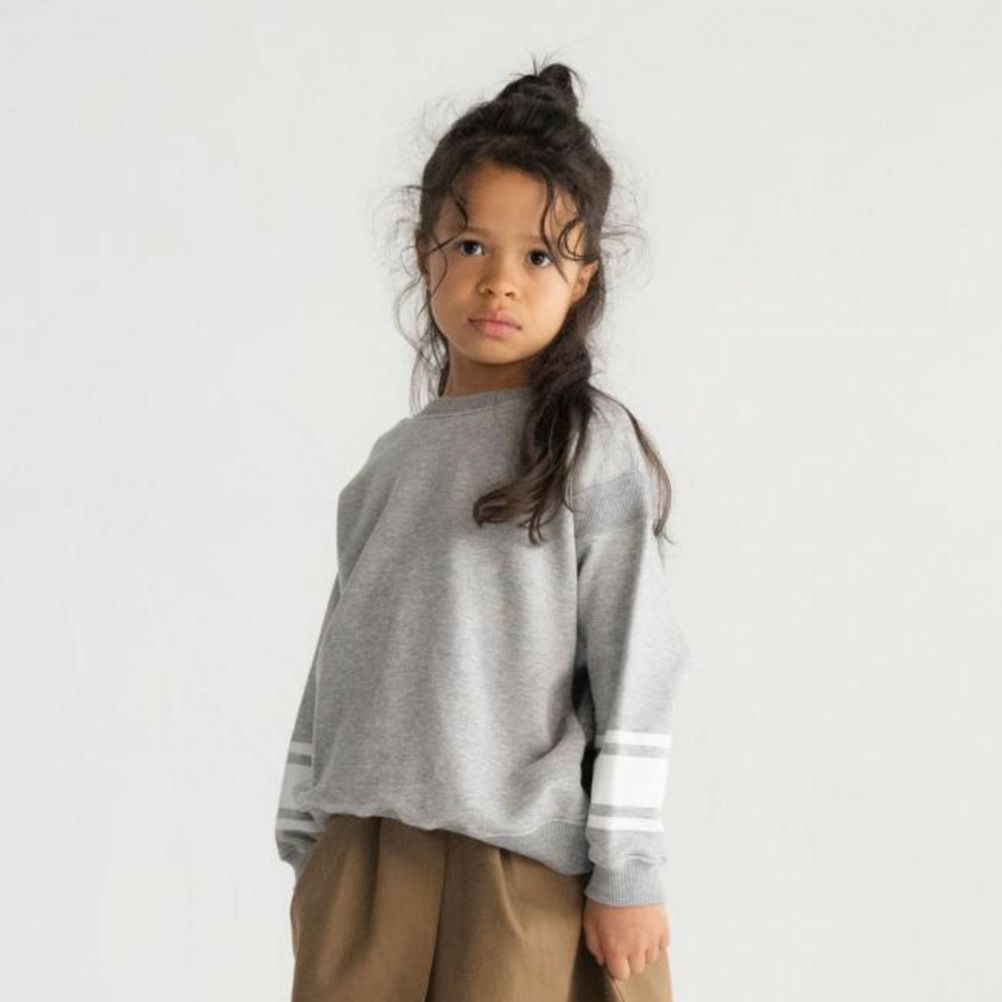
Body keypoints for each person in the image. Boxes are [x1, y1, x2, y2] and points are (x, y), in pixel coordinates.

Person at [274, 58, 694, 1002]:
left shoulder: (586, 444)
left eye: (539, 256)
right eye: (470, 245)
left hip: (519, 867)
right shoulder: (391, 461)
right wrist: (306, 829)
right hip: (365, 858)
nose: (499, 282)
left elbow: (635, 655)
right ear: (424, 254)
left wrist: (628, 867)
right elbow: (341, 647)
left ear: (583, 278)